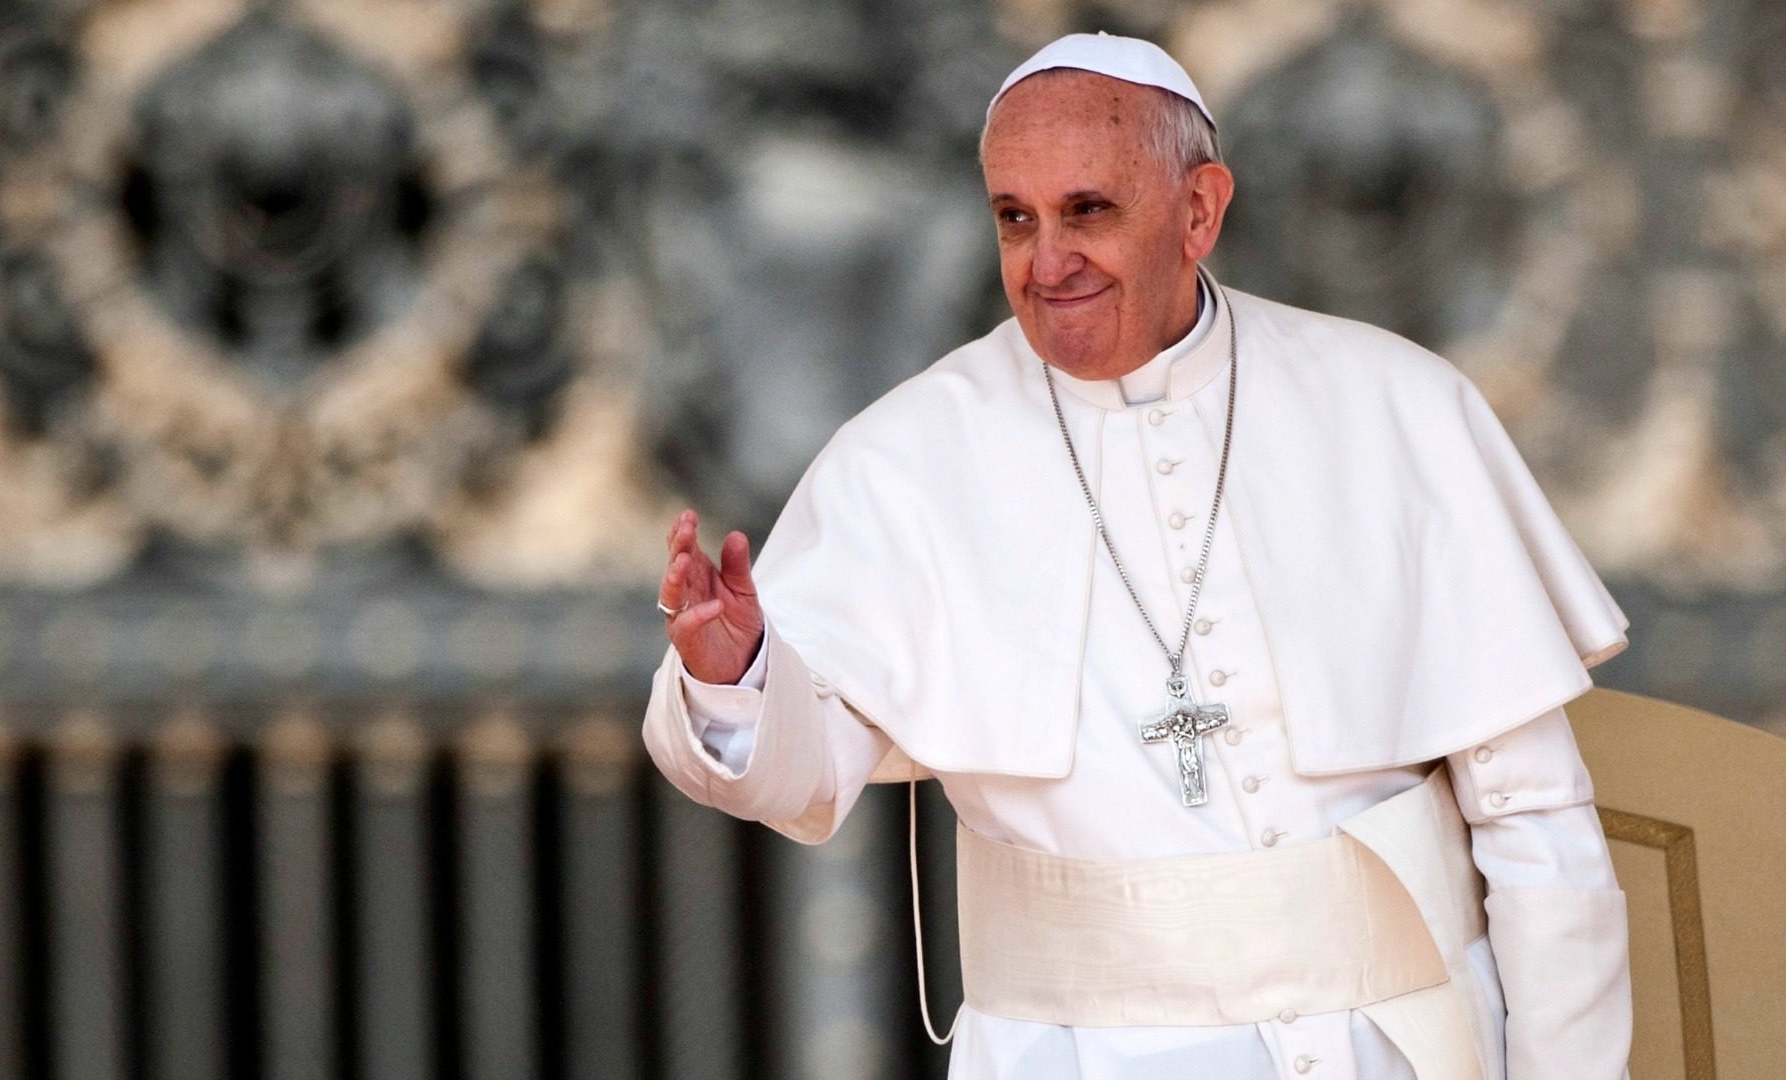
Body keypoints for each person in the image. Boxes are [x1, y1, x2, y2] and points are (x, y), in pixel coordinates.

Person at [642, 31, 1632, 1080]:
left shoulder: (1397, 407)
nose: (1046, 260)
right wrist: (734, 676)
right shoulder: (905, 458)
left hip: (1404, 1048)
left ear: (1200, 210)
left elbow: (1537, 825)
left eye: (1089, 211)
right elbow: (800, 777)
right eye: (1014, 219)